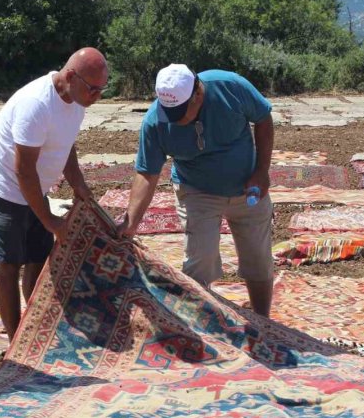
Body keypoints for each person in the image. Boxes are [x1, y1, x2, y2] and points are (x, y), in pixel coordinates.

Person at [0, 48, 109, 338]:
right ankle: (15, 341)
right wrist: (50, 220)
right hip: (1, 186)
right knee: (8, 264)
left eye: (102, 89)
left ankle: (35, 326)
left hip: (31, 186)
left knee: (38, 257)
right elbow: (23, 170)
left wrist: (78, 184)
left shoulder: (76, 99)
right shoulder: (36, 104)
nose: (97, 96)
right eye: (94, 88)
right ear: (71, 76)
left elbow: (66, 144)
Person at [118, 64, 276, 317]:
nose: (175, 119)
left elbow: (263, 118)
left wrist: (262, 171)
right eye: (170, 112)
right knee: (200, 257)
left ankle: (264, 320)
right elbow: (147, 173)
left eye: (181, 111)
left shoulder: (230, 86)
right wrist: (131, 223)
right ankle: (200, 325)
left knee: (257, 257)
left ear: (198, 94)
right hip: (196, 190)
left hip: (247, 187)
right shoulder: (155, 122)